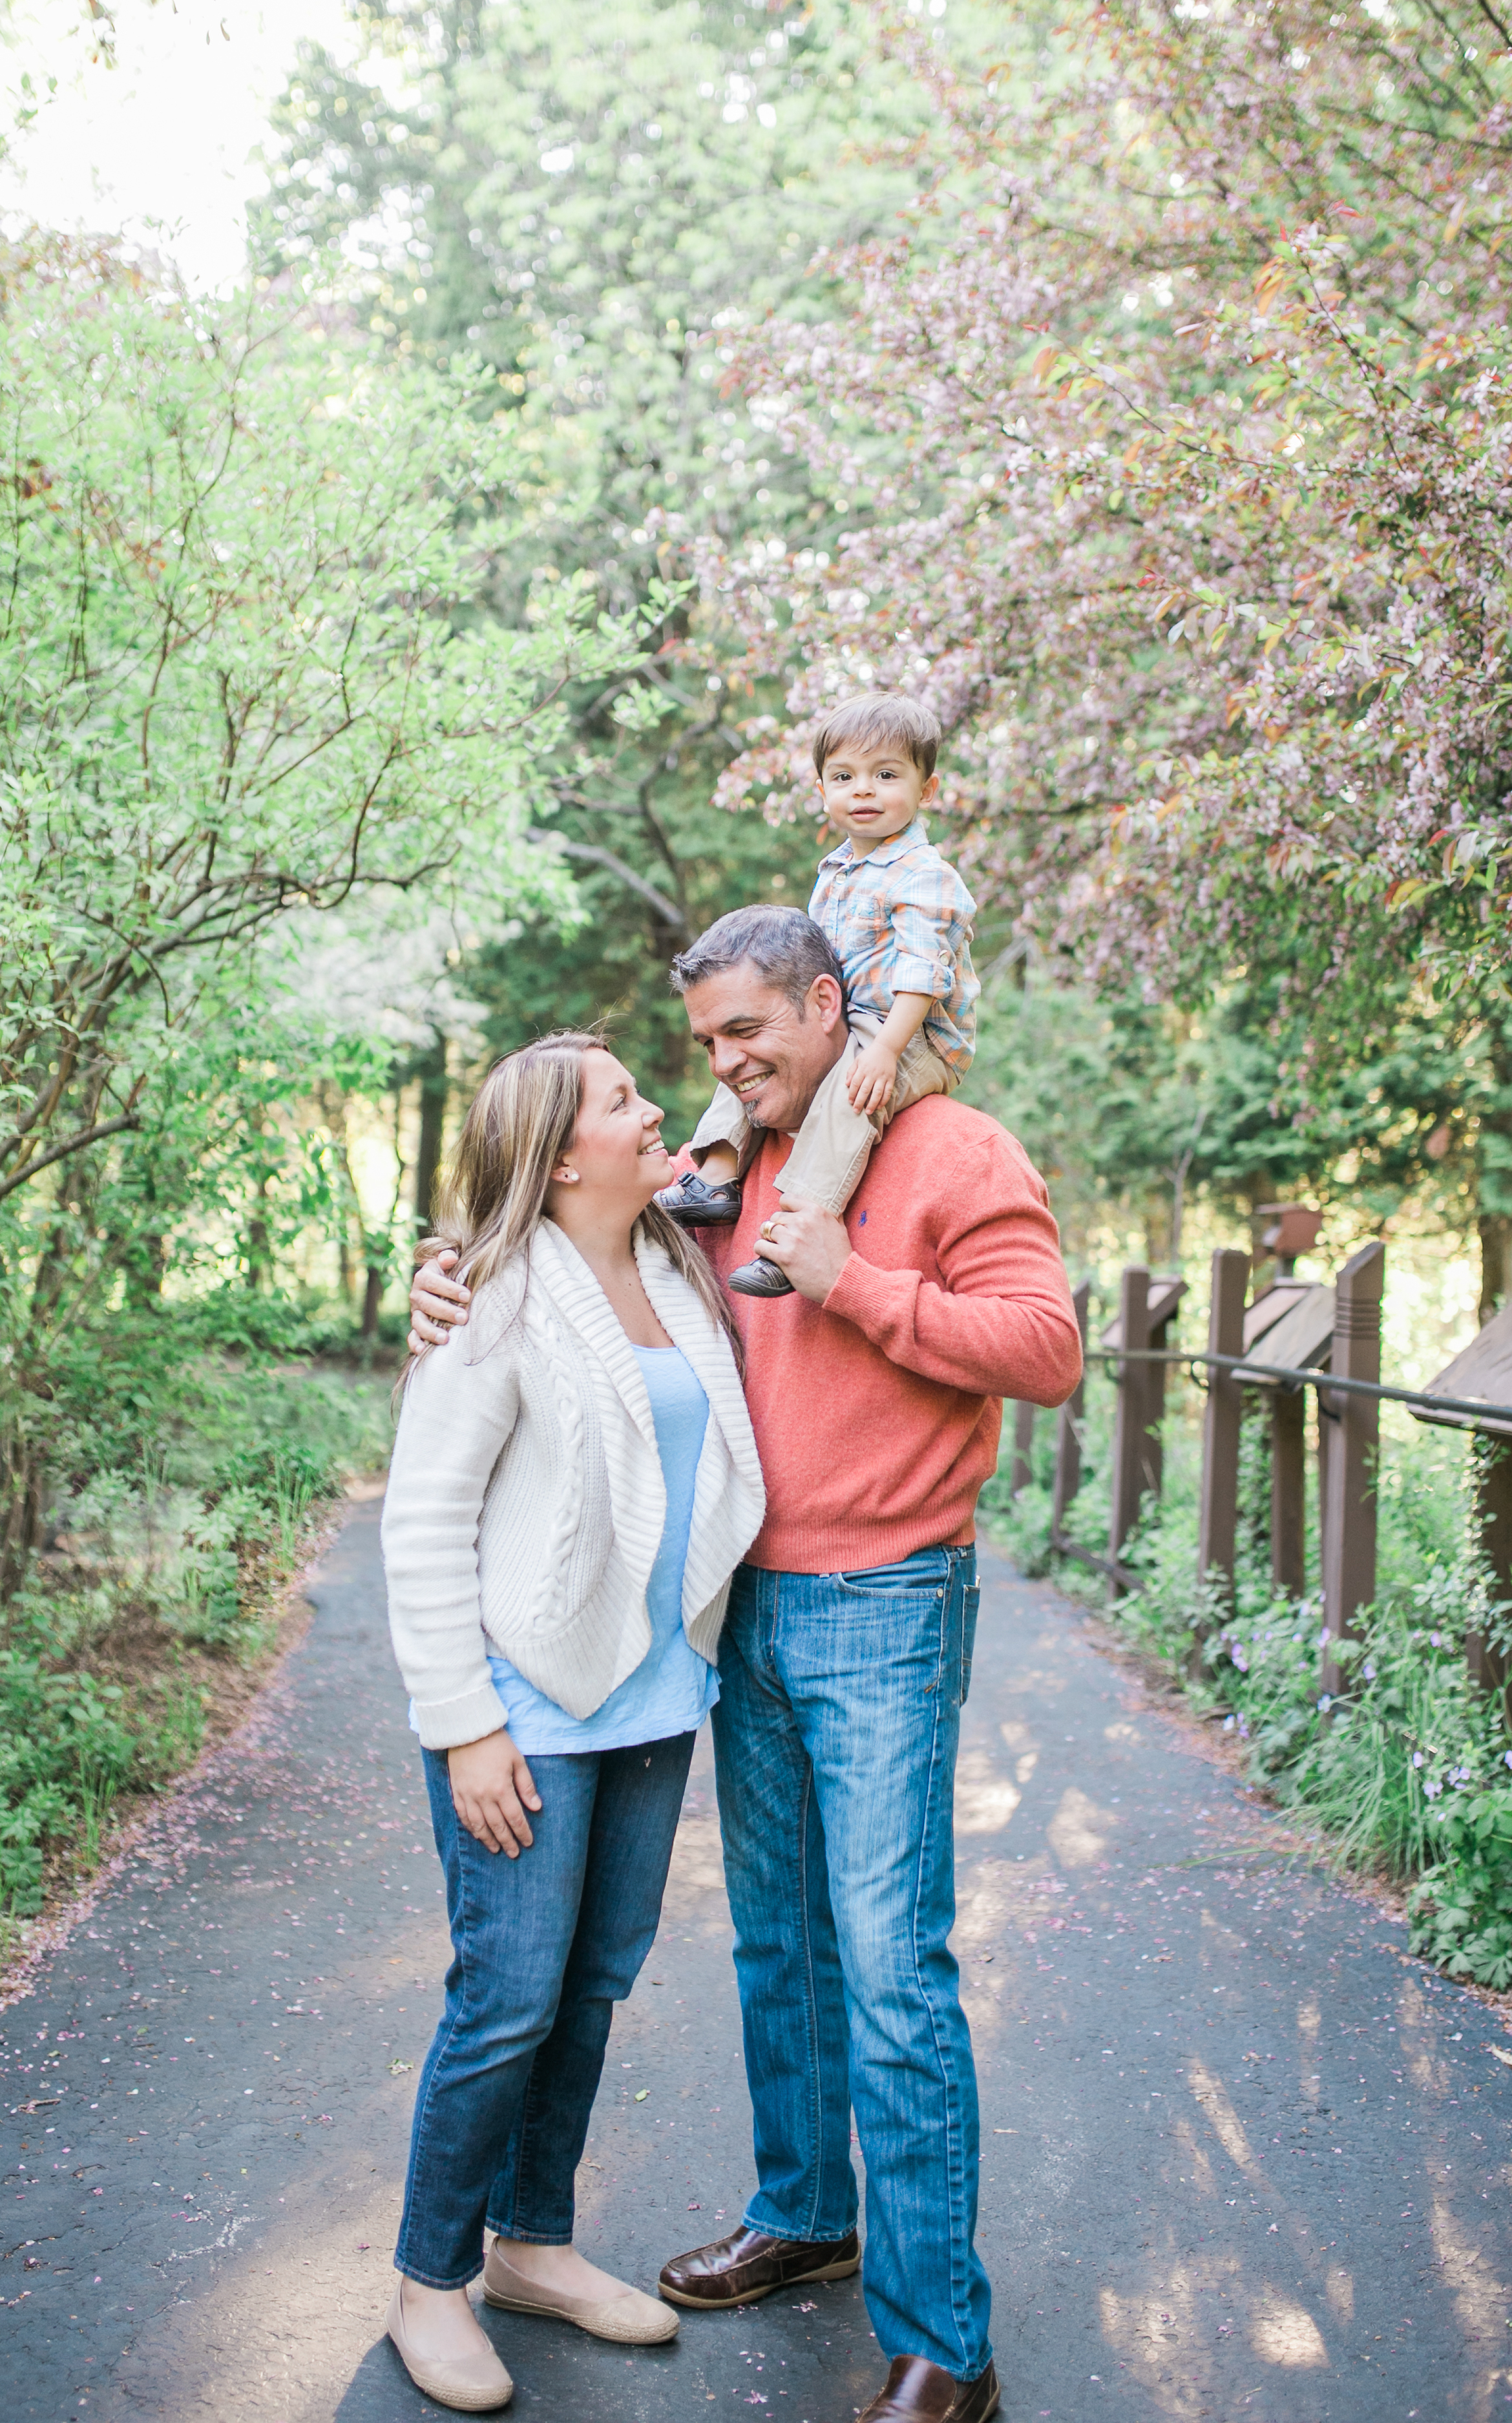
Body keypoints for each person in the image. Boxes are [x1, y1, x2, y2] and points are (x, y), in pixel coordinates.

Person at [410, 910, 1082, 2423]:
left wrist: (855, 1279)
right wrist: (441, 1274)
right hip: (740, 1613)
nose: (720, 1066)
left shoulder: (953, 1149)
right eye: (704, 1043)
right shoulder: (725, 1171)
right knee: (775, 1943)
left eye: (746, 1035)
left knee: (893, 1969)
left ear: (830, 1005)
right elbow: (555, 1257)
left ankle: (940, 2343)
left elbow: (1046, 1347)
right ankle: (805, 2212)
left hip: (887, 1597)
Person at [380, 1030, 764, 2413]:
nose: (653, 1104)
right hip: (521, 1714)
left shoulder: (677, 1262)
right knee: (505, 2001)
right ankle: (430, 2284)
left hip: (654, 1704)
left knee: (591, 1989)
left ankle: (532, 2244)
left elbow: (768, 1089)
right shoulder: (486, 1298)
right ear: (556, 1158)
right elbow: (422, 1523)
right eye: (619, 1098)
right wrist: (463, 1724)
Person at [659, 693, 978, 1297]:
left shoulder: (925, 874)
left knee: (851, 1096)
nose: (864, 790)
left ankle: (801, 1227)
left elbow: (922, 976)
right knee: (741, 1064)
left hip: (915, 1033)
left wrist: (885, 1051)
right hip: (857, 1020)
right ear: (822, 790)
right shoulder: (836, 872)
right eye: (844, 777)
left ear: (926, 789)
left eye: (886, 775)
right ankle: (717, 1180)